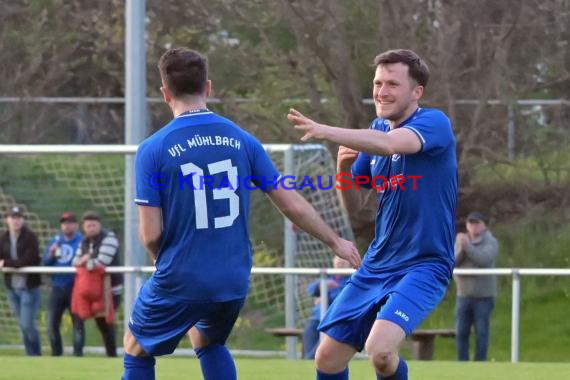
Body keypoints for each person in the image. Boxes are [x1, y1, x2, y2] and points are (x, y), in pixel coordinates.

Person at [122, 47, 361, 380]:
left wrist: (160, 261)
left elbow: (150, 234)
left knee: (136, 348)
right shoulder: (243, 140)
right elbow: (290, 202)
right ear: (208, 87)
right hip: (232, 278)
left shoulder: (154, 149)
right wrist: (335, 241)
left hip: (181, 275)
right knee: (207, 338)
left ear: (164, 94)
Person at [287, 49, 458, 380]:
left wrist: (325, 130)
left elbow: (390, 145)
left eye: (393, 83)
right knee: (327, 358)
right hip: (377, 263)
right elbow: (356, 208)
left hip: (423, 263)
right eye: (378, 83)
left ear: (416, 92)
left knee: (380, 352)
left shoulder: (433, 123)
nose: (382, 91)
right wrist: (343, 170)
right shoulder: (377, 127)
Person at [72, 211, 122, 357]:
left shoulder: (110, 238)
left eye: (93, 225)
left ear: (99, 225)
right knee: (82, 318)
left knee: (106, 323)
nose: (91, 228)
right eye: (88, 226)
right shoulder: (84, 241)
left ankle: (112, 355)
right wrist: (85, 261)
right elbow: (75, 261)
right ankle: (78, 355)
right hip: (91, 288)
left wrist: (85, 261)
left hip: (110, 289)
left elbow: (101, 262)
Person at [454, 211, 499, 361]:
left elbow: (484, 260)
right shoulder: (461, 241)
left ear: (484, 225)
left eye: (477, 223)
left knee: (481, 332)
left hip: (483, 297)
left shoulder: (491, 242)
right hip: (463, 295)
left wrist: (468, 247)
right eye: (470, 223)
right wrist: (461, 248)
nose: (473, 227)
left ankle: (480, 362)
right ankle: (462, 362)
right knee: (461, 332)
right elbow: (453, 262)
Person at [0, 206, 42, 356]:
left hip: (28, 288)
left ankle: (36, 355)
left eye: (18, 218)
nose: (16, 221)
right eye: (13, 218)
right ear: (7, 220)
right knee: (22, 325)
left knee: (27, 324)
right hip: (12, 288)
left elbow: (28, 260)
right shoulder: (3, 237)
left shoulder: (30, 237)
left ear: (23, 220)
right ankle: (29, 355)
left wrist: (6, 263)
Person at [43, 211, 85, 356]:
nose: (67, 226)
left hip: (76, 288)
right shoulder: (56, 241)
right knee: (52, 323)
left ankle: (78, 354)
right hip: (57, 287)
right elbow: (46, 264)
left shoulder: (82, 241)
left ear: (76, 225)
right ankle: (56, 354)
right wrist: (51, 253)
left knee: (78, 324)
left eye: (70, 223)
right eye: (64, 223)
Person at [303, 256, 351, 359]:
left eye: (343, 260)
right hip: (317, 317)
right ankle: (308, 360)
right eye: (338, 259)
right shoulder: (327, 276)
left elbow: (345, 297)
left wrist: (326, 297)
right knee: (309, 332)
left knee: (321, 347)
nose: (340, 261)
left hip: (335, 319)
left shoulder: (353, 278)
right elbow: (311, 289)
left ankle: (312, 359)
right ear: (333, 261)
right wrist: (321, 286)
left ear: (350, 263)